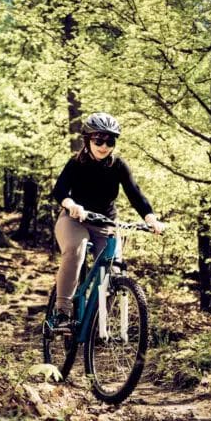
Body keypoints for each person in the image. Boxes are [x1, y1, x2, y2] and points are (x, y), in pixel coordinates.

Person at [51, 112, 165, 327]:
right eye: (98, 140)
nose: (104, 146)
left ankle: (95, 322)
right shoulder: (76, 163)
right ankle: (62, 312)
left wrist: (151, 219)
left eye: (109, 141)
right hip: (75, 220)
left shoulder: (118, 166)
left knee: (115, 271)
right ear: (88, 140)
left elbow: (135, 194)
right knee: (76, 248)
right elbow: (60, 190)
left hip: (106, 223)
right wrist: (72, 205)